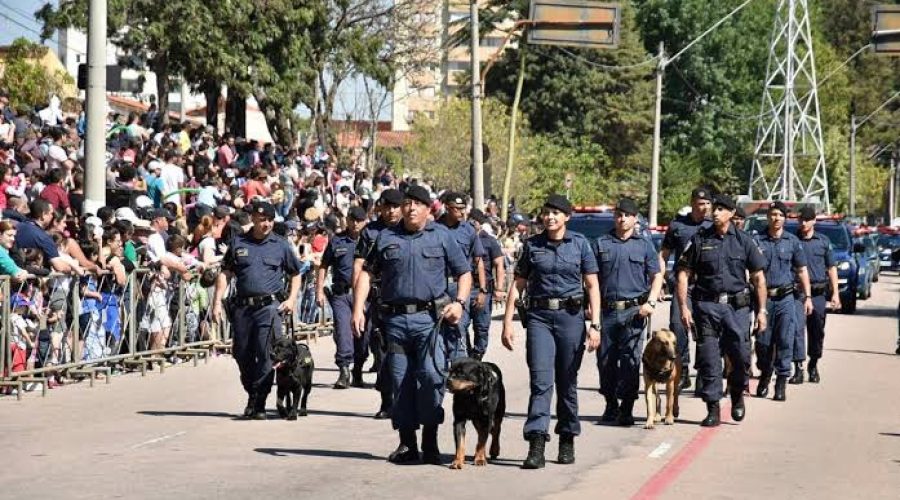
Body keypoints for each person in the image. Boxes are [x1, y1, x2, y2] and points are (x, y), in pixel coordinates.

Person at [351, 185, 471, 465]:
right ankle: (407, 443)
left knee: (431, 377)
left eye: (418, 204)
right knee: (399, 381)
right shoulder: (384, 237)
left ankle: (430, 438)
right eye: (407, 203)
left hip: (430, 321)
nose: (411, 208)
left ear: (429, 209)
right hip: (394, 321)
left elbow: (464, 273)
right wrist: (357, 309)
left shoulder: (441, 236)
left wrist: (460, 303)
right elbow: (367, 274)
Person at [501, 194, 601, 469]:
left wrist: (595, 325)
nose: (550, 217)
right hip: (539, 318)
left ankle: (567, 437)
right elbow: (518, 285)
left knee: (567, 383)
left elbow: (592, 285)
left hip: (571, 318)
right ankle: (536, 443)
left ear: (567, 217)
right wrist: (508, 321)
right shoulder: (533, 246)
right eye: (547, 212)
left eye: (556, 213)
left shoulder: (580, 244)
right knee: (541, 381)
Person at [676, 195, 767, 427]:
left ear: (731, 213)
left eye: (720, 209)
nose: (714, 213)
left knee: (740, 357)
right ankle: (713, 407)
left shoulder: (744, 241)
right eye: (713, 209)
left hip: (736, 309)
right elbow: (683, 274)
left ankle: (736, 394)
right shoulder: (699, 240)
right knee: (709, 359)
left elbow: (758, 278)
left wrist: (762, 311)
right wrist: (683, 308)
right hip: (706, 307)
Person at [212, 201, 302, 419]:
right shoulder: (238, 242)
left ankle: (258, 401)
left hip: (269, 308)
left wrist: (291, 299)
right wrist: (216, 301)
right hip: (243, 308)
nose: (267, 224)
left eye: (270, 220)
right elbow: (225, 273)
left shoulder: (280, 245)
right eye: (263, 220)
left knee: (265, 354)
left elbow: (296, 274)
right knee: (241, 353)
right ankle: (253, 391)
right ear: (253, 219)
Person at [594, 198, 664, 426]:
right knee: (605, 361)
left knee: (631, 361)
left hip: (635, 312)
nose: (622, 219)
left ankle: (627, 407)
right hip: (607, 311)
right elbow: (591, 279)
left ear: (635, 219)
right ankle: (610, 404)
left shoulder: (644, 245)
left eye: (626, 215)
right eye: (618, 214)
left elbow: (657, 275)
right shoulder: (601, 243)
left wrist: (651, 302)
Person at [353, 188, 404, 419]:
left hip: (404, 296)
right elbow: (360, 265)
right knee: (383, 350)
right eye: (388, 206)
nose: (392, 211)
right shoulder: (370, 232)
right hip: (379, 297)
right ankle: (387, 401)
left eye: (396, 206)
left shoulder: (411, 229)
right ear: (380, 207)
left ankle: (405, 399)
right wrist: (358, 303)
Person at [753, 201, 811, 401]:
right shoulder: (757, 240)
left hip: (786, 298)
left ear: (785, 218)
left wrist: (808, 297)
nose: (776, 218)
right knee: (762, 342)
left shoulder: (793, 241)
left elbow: (802, 270)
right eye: (772, 214)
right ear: (767, 216)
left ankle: (781, 382)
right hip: (764, 298)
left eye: (779, 215)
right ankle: (766, 373)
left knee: (785, 339)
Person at [660, 187, 712, 392]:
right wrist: (664, 279)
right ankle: (682, 371)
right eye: (701, 204)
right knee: (678, 327)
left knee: (705, 330)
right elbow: (663, 255)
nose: (705, 208)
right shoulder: (677, 226)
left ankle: (702, 373)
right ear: (692, 204)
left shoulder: (713, 225)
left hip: (707, 287)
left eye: (708, 204)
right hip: (683, 286)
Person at [317, 206, 368, 389]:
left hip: (364, 296)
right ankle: (344, 370)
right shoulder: (337, 241)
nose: (355, 224)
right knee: (343, 331)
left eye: (359, 220)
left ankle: (358, 369)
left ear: (364, 221)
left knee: (363, 336)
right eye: (352, 220)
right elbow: (324, 265)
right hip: (341, 294)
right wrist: (319, 290)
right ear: (347, 220)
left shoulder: (370, 240)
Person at [436, 191, 486, 362]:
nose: (461, 212)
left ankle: (459, 372)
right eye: (456, 209)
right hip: (439, 286)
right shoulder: (434, 229)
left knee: (459, 329)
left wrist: (481, 289)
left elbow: (477, 260)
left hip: (460, 287)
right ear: (447, 208)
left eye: (463, 209)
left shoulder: (469, 231)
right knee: (438, 330)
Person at [792, 206, 838, 384]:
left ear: (813, 221)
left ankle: (813, 363)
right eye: (800, 219)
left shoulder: (823, 241)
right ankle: (798, 367)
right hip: (798, 294)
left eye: (807, 220)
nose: (803, 223)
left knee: (817, 331)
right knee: (796, 330)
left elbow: (831, 268)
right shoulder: (792, 240)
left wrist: (835, 293)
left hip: (818, 293)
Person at [468, 208, 505, 360]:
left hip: (484, 290)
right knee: (460, 325)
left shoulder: (489, 241)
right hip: (464, 288)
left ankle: (477, 355)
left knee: (481, 327)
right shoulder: (461, 238)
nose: (471, 223)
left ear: (479, 223)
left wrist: (499, 289)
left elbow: (499, 265)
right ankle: (466, 354)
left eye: (474, 221)